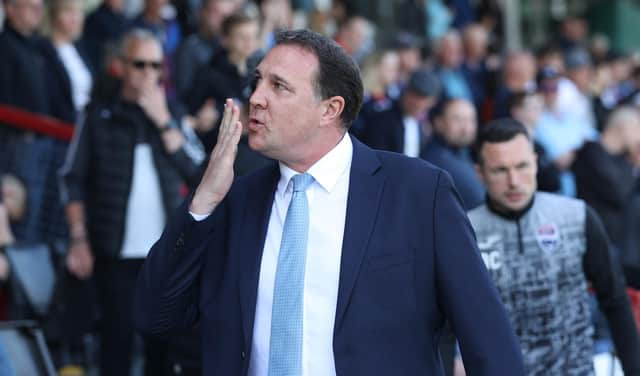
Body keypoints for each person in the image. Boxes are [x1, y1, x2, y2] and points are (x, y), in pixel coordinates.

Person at [134, 29, 525, 375]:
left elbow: (487, 338)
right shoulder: (236, 201)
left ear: (330, 109)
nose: (256, 98)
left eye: (278, 86)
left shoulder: (420, 192)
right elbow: (155, 316)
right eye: (257, 83)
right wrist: (202, 202)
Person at [59, 29, 204, 376]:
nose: (149, 74)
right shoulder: (97, 114)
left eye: (157, 66)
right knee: (116, 344)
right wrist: (78, 239)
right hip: (115, 253)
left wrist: (163, 120)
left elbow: (199, 174)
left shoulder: (172, 113)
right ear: (120, 66)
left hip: (166, 254)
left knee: (163, 350)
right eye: (140, 64)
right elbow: (72, 179)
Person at [468, 118, 640, 375]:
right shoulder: (465, 232)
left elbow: (615, 299)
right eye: (500, 170)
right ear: (480, 173)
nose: (514, 181)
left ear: (536, 163)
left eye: (522, 166)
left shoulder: (577, 217)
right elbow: (445, 323)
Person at [358, 68, 441, 157]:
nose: (416, 102)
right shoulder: (381, 119)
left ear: (432, 102)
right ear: (406, 91)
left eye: (423, 98)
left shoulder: (423, 128)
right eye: (413, 94)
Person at [421, 98, 484, 210]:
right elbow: (481, 199)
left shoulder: (458, 152)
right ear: (438, 123)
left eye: (471, 120)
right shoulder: (440, 160)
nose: (466, 128)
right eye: (457, 120)